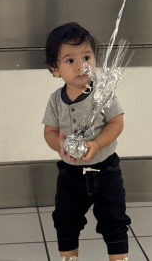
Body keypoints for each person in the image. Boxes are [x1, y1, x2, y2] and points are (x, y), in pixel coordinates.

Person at [42, 22, 131, 261]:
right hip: (70, 176)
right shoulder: (55, 100)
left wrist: (98, 144)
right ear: (55, 69)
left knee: (114, 221)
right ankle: (69, 258)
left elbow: (117, 123)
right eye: (70, 60)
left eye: (87, 57)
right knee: (65, 221)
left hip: (106, 172)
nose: (82, 66)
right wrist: (58, 144)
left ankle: (119, 259)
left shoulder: (103, 92)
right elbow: (50, 131)